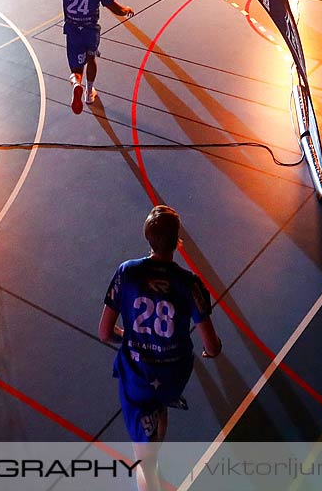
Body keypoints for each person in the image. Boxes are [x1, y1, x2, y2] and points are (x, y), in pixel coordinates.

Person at [98, 205, 221, 491]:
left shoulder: (127, 273)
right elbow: (211, 345)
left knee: (145, 464)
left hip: (138, 375)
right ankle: (157, 433)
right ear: (178, 241)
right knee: (159, 407)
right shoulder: (189, 284)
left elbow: (105, 333)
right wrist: (211, 352)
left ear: (148, 238)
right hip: (173, 374)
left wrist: (127, 339)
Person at [25, 0, 133, 114]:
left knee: (76, 67)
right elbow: (115, 8)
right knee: (91, 59)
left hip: (73, 31)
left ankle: (76, 83)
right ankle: (89, 93)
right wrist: (127, 9)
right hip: (90, 32)